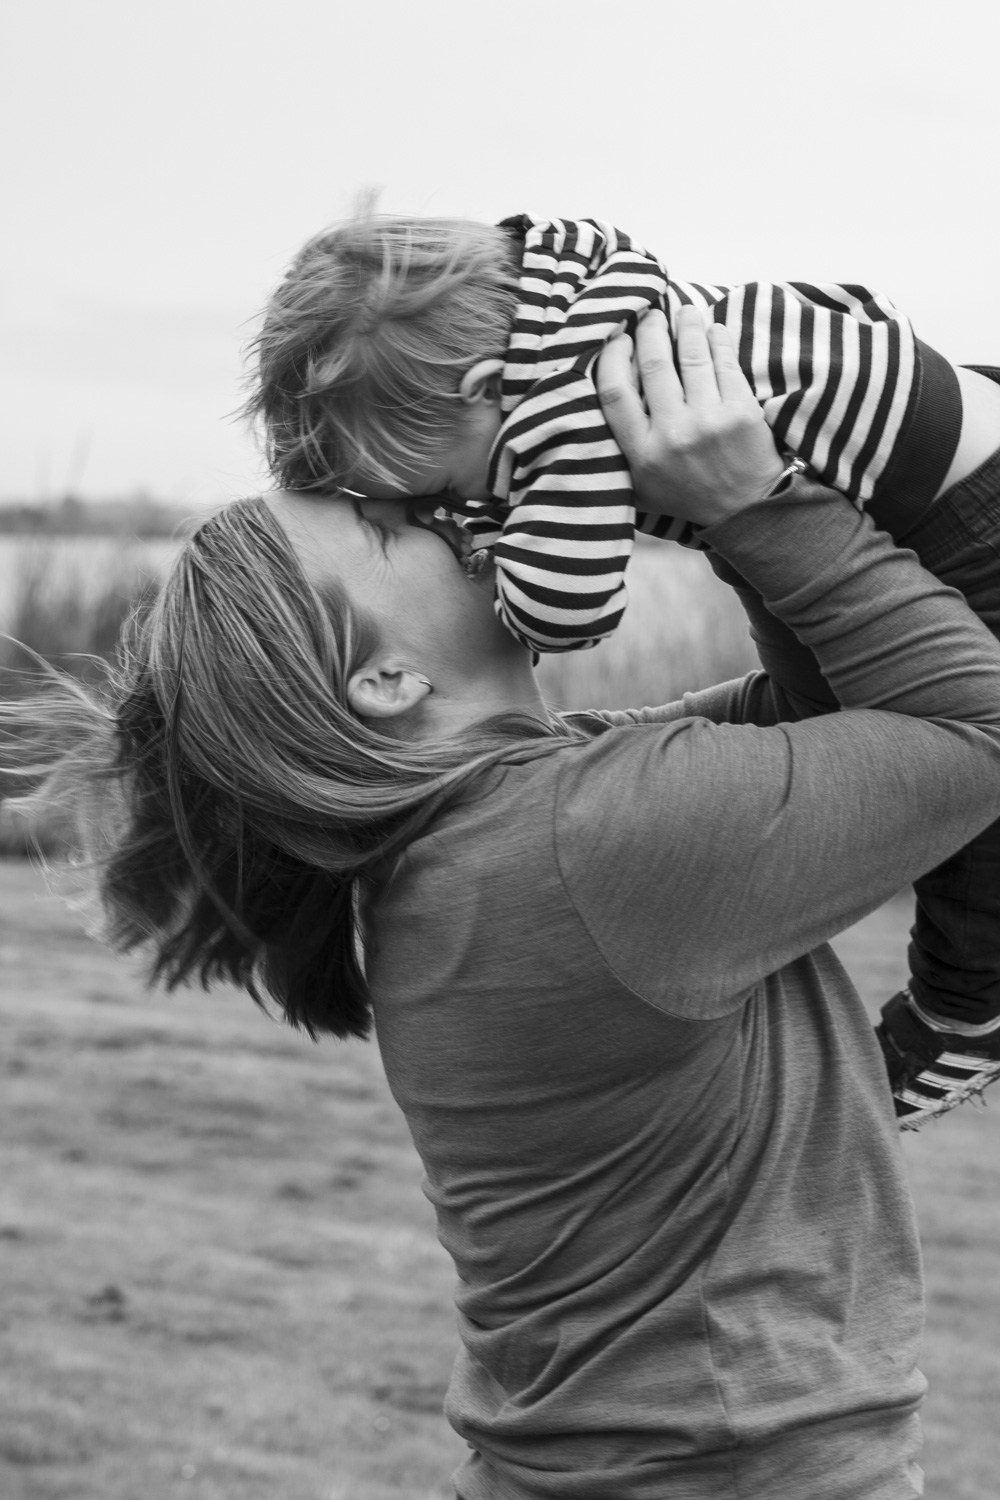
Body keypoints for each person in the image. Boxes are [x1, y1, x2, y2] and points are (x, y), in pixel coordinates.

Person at [10, 310, 1000, 1497]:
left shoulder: (500, 830)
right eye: (386, 527)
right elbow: (969, 731)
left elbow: (843, 707)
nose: (433, 509)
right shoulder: (580, 845)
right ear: (385, 680)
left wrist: (725, 492)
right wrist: (753, 503)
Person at [244, 209, 1000, 1124]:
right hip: (946, 427)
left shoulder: (567, 412)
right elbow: (826, 719)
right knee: (868, 723)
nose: (453, 517)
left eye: (437, 493)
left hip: (961, 515)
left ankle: (970, 1008)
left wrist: (502, 554)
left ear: (490, 390)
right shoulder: (580, 297)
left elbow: (567, 601)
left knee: (978, 820)